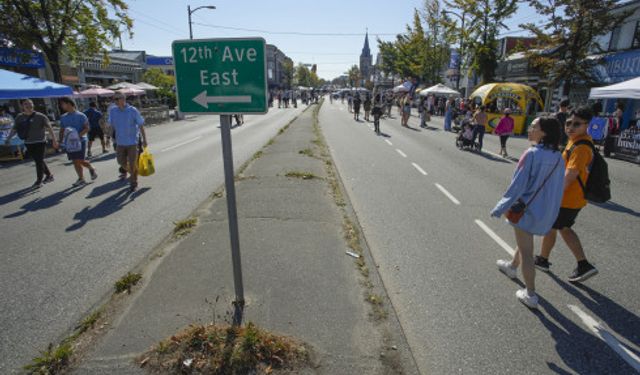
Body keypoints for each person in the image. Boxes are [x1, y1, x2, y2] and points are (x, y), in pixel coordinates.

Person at [492, 117, 565, 308]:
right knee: (525, 242)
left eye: (534, 126)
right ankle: (511, 266)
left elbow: (517, 185)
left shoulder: (531, 154)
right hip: (545, 212)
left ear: (544, 133)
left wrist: (500, 207)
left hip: (525, 210)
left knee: (526, 251)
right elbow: (558, 188)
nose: (529, 129)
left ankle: (530, 294)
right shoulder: (558, 156)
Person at [534, 106, 599, 283]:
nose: (570, 127)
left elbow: (570, 176)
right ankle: (543, 259)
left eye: (576, 124)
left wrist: (551, 195)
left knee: (562, 228)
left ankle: (583, 264)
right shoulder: (575, 141)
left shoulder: (581, 147)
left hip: (568, 199)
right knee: (555, 227)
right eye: (568, 123)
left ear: (586, 125)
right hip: (569, 198)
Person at [4, 99, 58, 188]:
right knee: (38, 160)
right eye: (26, 104)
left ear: (33, 105)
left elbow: (49, 128)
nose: (28, 105)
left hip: (40, 142)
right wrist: (8, 138)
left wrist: (54, 140)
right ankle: (49, 175)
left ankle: (39, 181)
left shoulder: (41, 116)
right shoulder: (19, 117)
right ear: (22, 106)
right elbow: (14, 129)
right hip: (28, 142)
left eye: (30, 104)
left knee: (39, 161)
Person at [109, 92, 147, 192]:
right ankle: (133, 172)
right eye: (114, 99)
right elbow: (112, 125)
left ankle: (134, 183)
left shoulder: (132, 110)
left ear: (123, 99)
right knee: (120, 161)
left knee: (132, 162)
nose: (116, 101)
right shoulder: (113, 111)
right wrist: (108, 138)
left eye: (117, 99)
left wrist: (144, 140)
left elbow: (140, 125)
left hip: (132, 142)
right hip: (120, 142)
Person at [58, 97, 97, 186]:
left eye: (62, 103)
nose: (61, 106)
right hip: (69, 143)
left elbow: (87, 128)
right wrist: (60, 142)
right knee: (75, 161)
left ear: (68, 103)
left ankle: (91, 168)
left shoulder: (81, 115)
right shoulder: (63, 117)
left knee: (80, 160)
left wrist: (76, 136)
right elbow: (62, 130)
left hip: (81, 141)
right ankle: (81, 178)